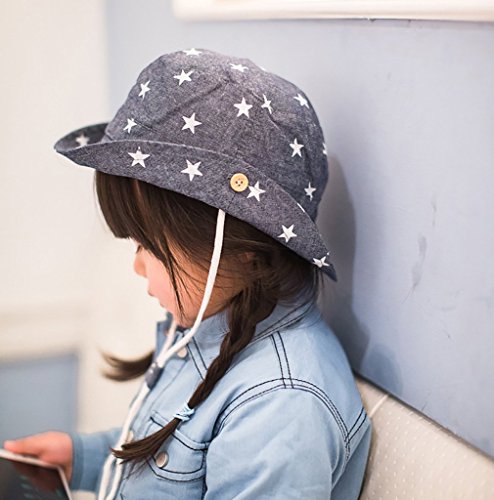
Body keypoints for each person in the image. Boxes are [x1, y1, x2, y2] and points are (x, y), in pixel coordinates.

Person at [3, 48, 372, 499]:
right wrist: (81, 459)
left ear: (241, 248)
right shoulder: (209, 328)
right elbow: (173, 455)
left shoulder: (279, 408)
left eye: (148, 245)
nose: (137, 265)